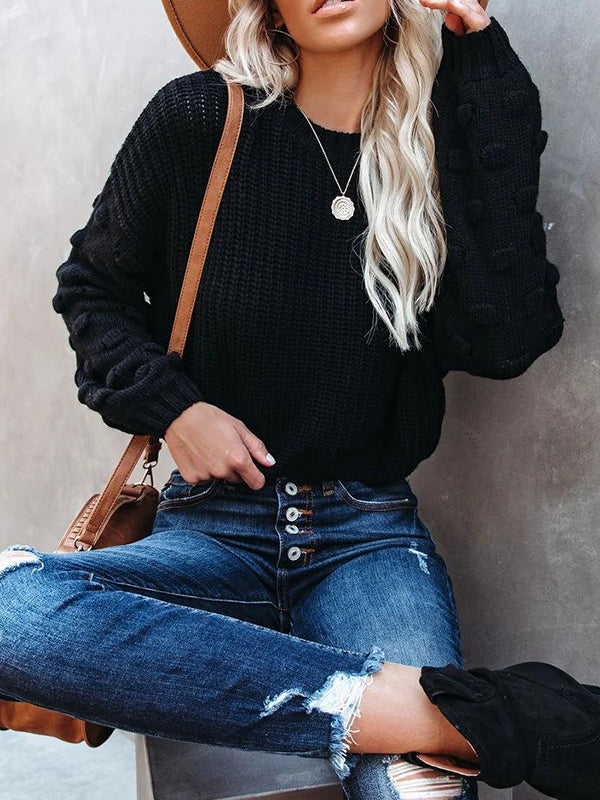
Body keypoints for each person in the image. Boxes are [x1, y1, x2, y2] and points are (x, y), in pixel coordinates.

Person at [1, 1, 595, 799]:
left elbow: (507, 340)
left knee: (415, 792)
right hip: (212, 529)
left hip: (367, 539)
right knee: (10, 608)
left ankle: (429, 716)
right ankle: (479, 716)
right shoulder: (200, 118)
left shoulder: (438, 143)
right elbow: (92, 290)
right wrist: (175, 410)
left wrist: (481, 61)